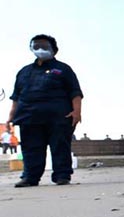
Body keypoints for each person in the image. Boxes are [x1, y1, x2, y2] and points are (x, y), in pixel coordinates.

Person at [7, 34, 83, 187]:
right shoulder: (24, 72)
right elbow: (16, 96)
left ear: (54, 50)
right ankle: (30, 177)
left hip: (59, 116)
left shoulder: (63, 69)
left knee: (60, 146)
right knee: (30, 148)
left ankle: (62, 175)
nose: (40, 49)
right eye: (36, 46)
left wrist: (77, 112)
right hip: (28, 116)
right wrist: (11, 117)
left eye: (44, 46)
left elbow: (75, 92)